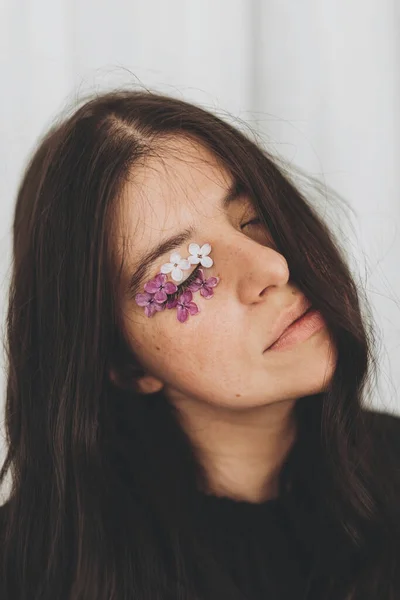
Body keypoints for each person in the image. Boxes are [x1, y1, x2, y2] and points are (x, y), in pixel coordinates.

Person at [0, 89, 399, 600]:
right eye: (184, 275)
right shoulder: (34, 574)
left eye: (254, 218)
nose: (272, 266)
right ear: (121, 362)